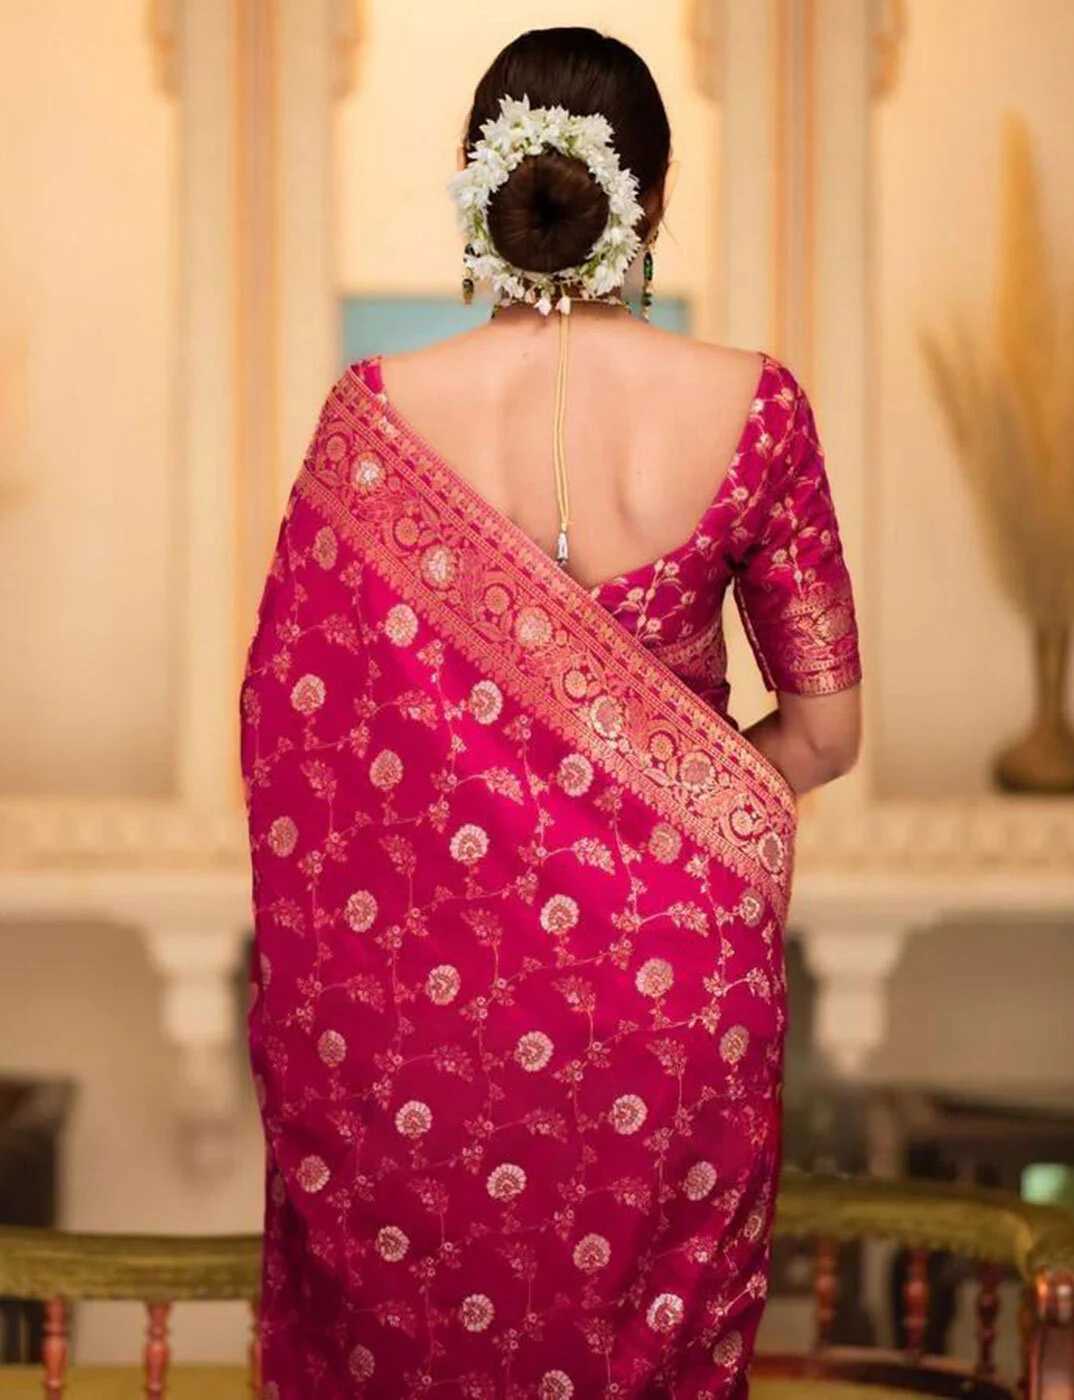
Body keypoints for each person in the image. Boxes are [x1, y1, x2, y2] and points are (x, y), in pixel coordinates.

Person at [239, 25, 862, 1398]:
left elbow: (297, 737)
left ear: (480, 181)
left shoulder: (373, 420)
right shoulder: (758, 409)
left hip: (425, 1028)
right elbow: (824, 733)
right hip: (673, 995)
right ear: (656, 193)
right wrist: (670, 807)